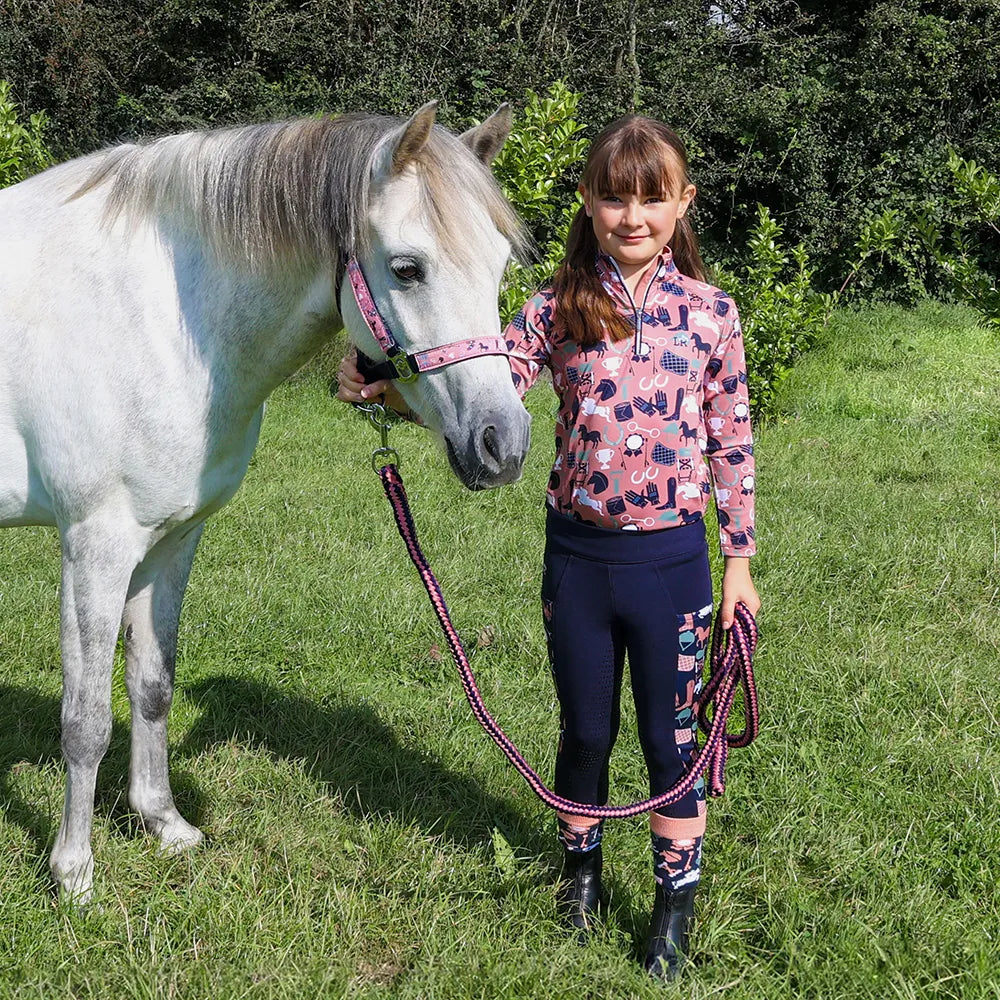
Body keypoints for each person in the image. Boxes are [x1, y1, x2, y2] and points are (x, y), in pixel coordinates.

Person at [336, 115, 760, 981]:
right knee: (584, 732)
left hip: (673, 564)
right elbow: (480, 388)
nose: (632, 216)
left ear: (683, 202)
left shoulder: (713, 315)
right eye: (613, 197)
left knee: (673, 742)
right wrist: (376, 389)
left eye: (652, 198)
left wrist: (740, 566)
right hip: (577, 560)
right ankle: (581, 880)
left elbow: (732, 445)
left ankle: (673, 905)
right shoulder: (557, 307)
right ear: (588, 203)